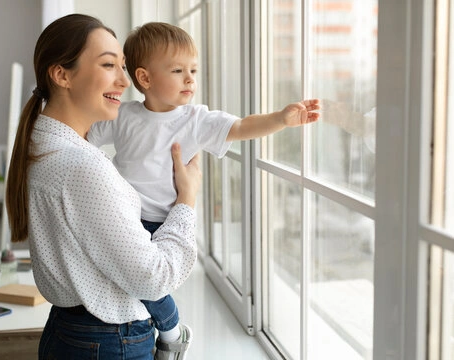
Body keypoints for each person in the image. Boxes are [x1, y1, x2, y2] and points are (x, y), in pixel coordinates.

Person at [87, 21, 321, 359]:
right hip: (125, 221)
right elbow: (83, 137)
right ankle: (167, 331)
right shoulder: (123, 115)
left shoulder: (195, 119)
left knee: (145, 284)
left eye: (193, 70)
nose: (190, 79)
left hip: (167, 224)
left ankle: (171, 330)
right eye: (178, 70)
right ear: (145, 79)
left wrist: (281, 119)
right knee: (126, 283)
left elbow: (241, 126)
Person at [5, 14, 202, 360]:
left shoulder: (43, 143)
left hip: (72, 333)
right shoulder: (81, 167)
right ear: (62, 74)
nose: (125, 81)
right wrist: (186, 200)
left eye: (123, 66)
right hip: (109, 342)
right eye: (109, 65)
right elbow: (154, 279)